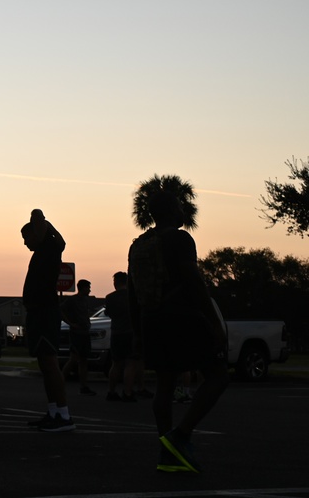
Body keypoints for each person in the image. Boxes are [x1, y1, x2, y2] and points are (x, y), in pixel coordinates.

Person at [128, 190, 229, 473]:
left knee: (164, 383)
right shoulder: (181, 239)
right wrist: (213, 321)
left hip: (152, 320)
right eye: (179, 205)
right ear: (173, 209)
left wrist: (138, 331)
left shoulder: (139, 244)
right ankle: (180, 435)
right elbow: (193, 280)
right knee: (218, 375)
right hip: (182, 317)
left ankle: (167, 452)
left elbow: (133, 294)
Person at [21, 212, 75, 432]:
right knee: (45, 364)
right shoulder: (44, 251)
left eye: (27, 237)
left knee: (51, 364)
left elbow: (37, 216)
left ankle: (64, 415)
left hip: (45, 313)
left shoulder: (50, 249)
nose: (25, 242)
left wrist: (46, 226)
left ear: (38, 233)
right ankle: (53, 411)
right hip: (37, 312)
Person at [104, 271, 140, 401]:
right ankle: (127, 392)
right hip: (130, 333)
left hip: (116, 333)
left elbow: (109, 313)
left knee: (116, 364)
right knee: (130, 364)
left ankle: (111, 391)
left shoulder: (110, 298)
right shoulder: (133, 296)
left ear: (115, 283)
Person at [61, 279, 96, 396]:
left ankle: (83, 386)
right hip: (76, 334)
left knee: (84, 360)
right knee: (73, 359)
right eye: (88, 287)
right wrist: (71, 323)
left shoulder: (86, 300)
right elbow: (61, 311)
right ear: (83, 288)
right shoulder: (72, 300)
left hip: (85, 333)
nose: (90, 290)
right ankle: (60, 382)